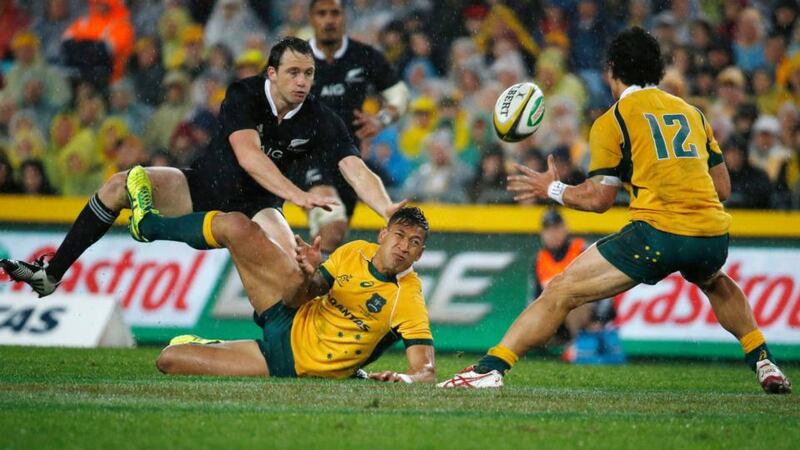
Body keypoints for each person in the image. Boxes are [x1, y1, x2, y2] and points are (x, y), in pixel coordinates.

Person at [437, 27, 792, 394]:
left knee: (560, 291)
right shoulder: (693, 113)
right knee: (714, 280)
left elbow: (598, 200)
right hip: (712, 235)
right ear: (657, 70)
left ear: (611, 70)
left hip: (658, 233)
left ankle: (490, 369)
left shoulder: (613, 119)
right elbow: (722, 188)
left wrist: (552, 188)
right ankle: (763, 360)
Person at [1, 37, 403, 299]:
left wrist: (386, 209)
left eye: (309, 74)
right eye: (294, 72)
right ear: (272, 73)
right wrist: (297, 194)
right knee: (118, 185)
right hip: (200, 189)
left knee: (298, 284)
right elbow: (249, 156)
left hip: (259, 209)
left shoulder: (320, 117)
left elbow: (356, 168)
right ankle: (51, 274)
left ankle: (317, 348)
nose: (302, 82)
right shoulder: (244, 94)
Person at [146, 184, 435, 382]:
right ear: (383, 235)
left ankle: (215, 346)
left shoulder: (407, 298)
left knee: (169, 360)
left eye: (414, 242)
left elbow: (426, 369)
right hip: (290, 314)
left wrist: (405, 377)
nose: (404, 246)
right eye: (399, 235)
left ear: (420, 253)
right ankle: (147, 226)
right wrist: (307, 274)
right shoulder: (355, 251)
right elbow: (298, 297)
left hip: (286, 363)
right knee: (235, 225)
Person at [303, 0, 410, 256]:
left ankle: (309, 284)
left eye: (335, 13)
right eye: (322, 13)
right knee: (333, 219)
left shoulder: (363, 56)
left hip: (347, 159)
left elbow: (400, 96)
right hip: (303, 155)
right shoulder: (295, 57)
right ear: (311, 18)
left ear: (344, 17)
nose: (329, 20)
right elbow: (264, 100)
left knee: (332, 237)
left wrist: (381, 119)